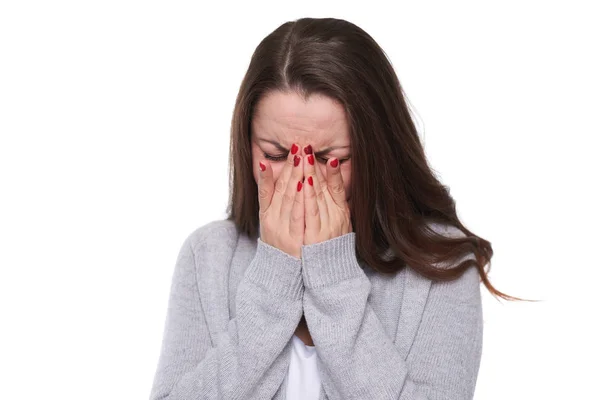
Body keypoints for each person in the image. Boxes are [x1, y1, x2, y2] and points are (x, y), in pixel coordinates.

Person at [149, 17, 520, 400]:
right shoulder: (208, 256)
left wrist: (333, 277)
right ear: (246, 146)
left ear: (377, 153)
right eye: (276, 154)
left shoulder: (442, 265)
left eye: (330, 158)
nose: (300, 177)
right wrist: (275, 276)